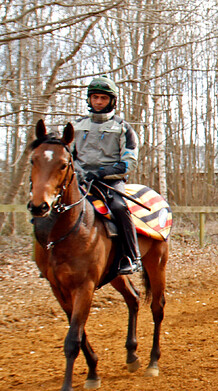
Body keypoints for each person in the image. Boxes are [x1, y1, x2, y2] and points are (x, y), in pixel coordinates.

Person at [72, 75, 142, 275]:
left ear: (112, 101)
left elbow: (129, 163)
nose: (99, 102)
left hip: (110, 182)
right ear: (89, 100)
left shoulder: (123, 128)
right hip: (80, 180)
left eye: (103, 98)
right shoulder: (76, 126)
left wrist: (102, 173)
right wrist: (80, 173)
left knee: (119, 207)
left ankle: (132, 256)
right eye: (95, 97)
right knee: (53, 208)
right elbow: (68, 157)